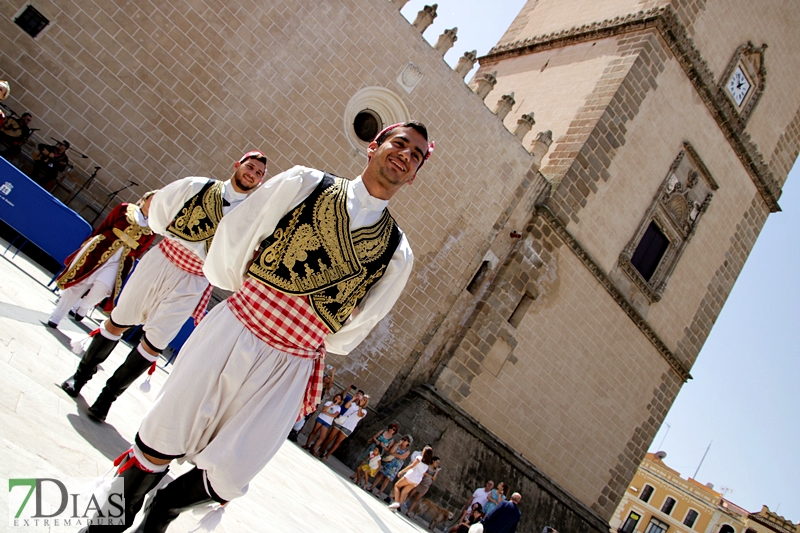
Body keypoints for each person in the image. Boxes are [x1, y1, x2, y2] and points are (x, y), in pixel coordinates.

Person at [83, 121, 433, 532]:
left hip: (293, 362)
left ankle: (164, 509)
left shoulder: (398, 251)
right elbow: (242, 229)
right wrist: (254, 291)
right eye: (401, 144)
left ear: (412, 177)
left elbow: (363, 320)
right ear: (374, 147)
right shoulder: (307, 183)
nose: (406, 155)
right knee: (166, 433)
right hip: (240, 323)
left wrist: (307, 326)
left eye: (416, 156)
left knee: (233, 470)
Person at [59, 150, 267, 424]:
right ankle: (80, 376)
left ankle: (106, 399)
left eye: (258, 174)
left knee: (155, 342)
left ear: (260, 182)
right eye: (249, 167)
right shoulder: (197, 186)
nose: (251, 174)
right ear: (237, 165)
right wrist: (169, 235)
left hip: (194, 279)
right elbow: (159, 205)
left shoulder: (249, 216)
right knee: (119, 320)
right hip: (164, 259)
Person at [47, 192, 158, 328]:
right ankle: (57, 316)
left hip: (121, 260)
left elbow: (141, 249)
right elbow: (106, 224)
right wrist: (91, 241)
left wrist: (129, 255)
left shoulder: (153, 226)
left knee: (104, 288)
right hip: (100, 248)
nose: (153, 204)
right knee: (79, 283)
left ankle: (84, 306)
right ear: (145, 198)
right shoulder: (125, 209)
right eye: (152, 199)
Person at [317, 393, 369, 460]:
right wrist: (353, 399)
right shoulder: (353, 405)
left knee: (337, 441)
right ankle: (320, 451)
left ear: (366, 402)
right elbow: (346, 406)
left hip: (348, 427)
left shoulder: (364, 411)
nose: (362, 400)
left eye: (364, 400)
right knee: (330, 437)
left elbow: (359, 415)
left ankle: (326, 456)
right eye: (362, 399)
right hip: (341, 422)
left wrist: (361, 406)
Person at [388, 446, 433, 510]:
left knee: (397, 485)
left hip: (411, 476)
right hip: (417, 481)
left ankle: (396, 502)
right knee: (404, 492)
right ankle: (398, 506)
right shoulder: (427, 465)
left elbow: (411, 466)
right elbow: (423, 474)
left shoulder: (419, 458)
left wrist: (402, 471)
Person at [369, 434, 412, 500]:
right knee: (380, 475)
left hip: (395, 466)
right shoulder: (397, 445)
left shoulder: (407, 451)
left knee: (387, 479)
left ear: (408, 443)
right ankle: (372, 487)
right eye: (403, 439)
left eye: (405, 440)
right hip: (389, 462)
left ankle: (379, 493)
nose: (403, 441)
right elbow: (391, 451)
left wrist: (394, 454)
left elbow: (401, 457)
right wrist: (397, 444)